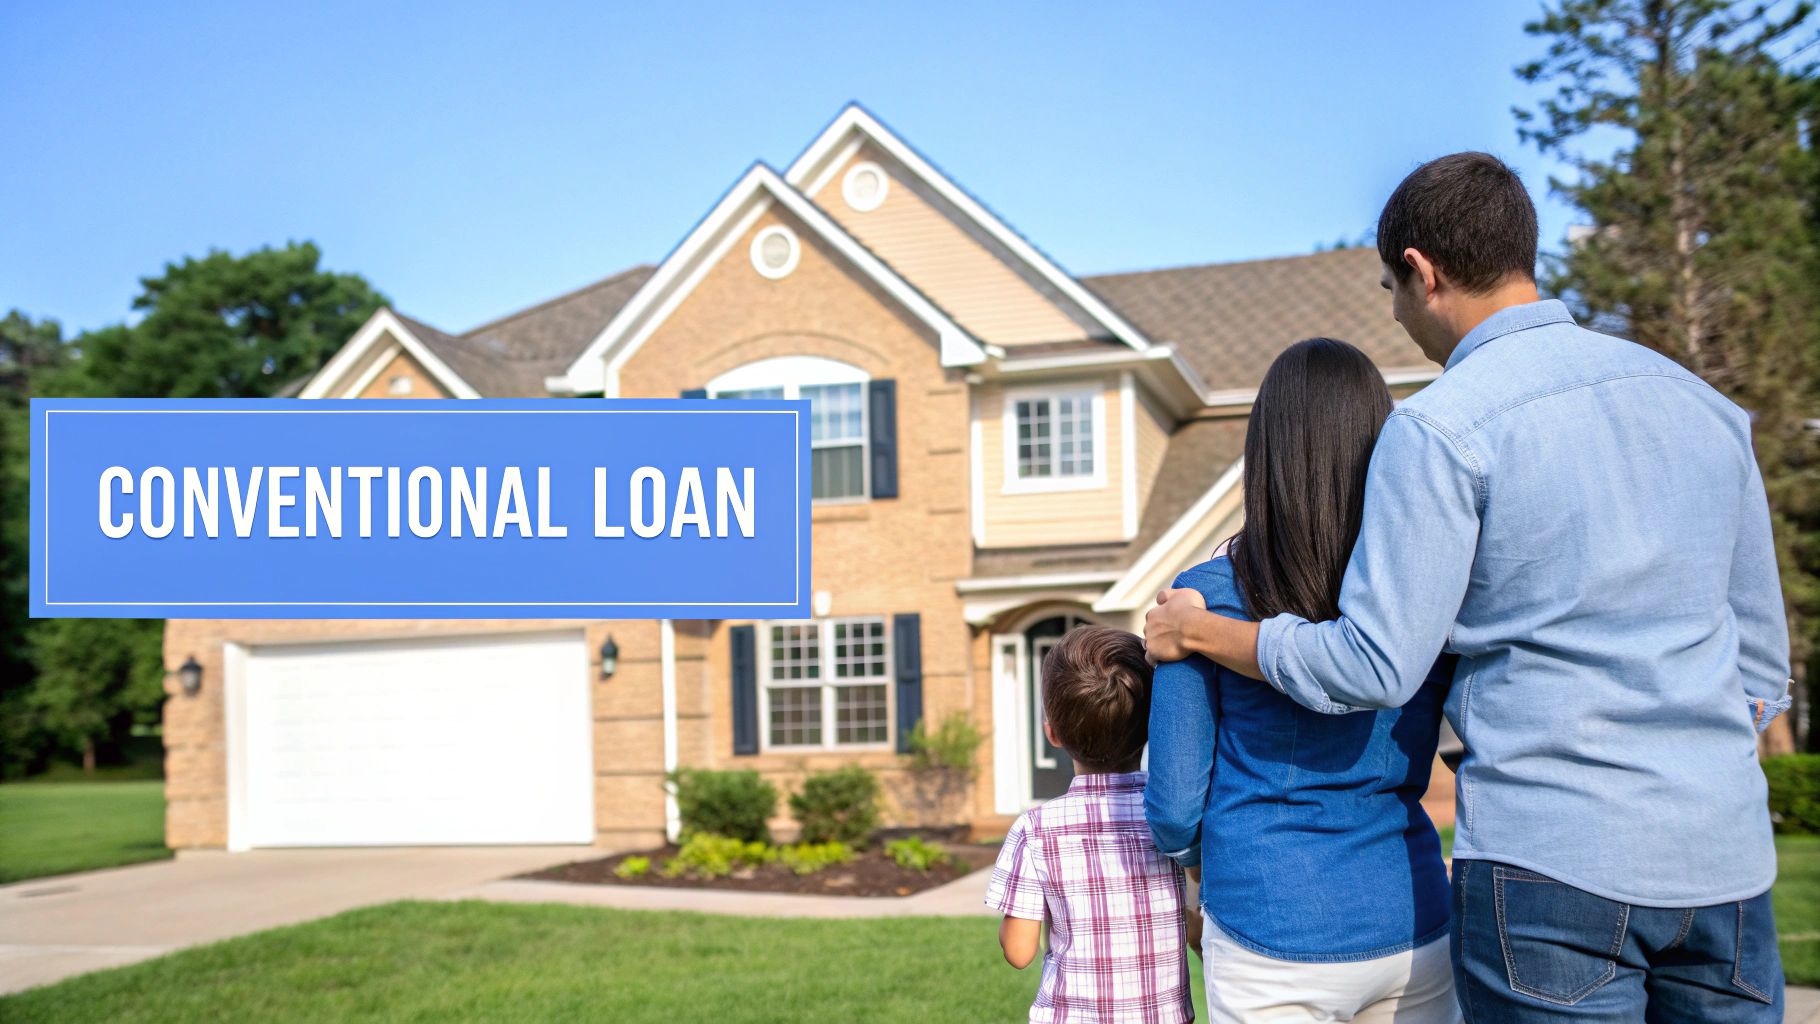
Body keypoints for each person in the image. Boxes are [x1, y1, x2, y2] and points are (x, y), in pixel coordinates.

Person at [1145, 152, 1792, 1021]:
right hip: (1726, 865)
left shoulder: (1444, 429)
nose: (1400, 312)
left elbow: (1376, 664)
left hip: (1553, 865)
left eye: (1389, 289)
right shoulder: (1709, 410)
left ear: (1422, 272)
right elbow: (1761, 672)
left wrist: (1204, 633)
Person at [1146, 337, 1460, 1022]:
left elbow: (1172, 805)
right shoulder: (1419, 596)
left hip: (1269, 926)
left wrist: (1199, 863)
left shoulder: (1201, 601)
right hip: (1411, 917)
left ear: (1266, 456)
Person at [985, 625, 1195, 1024]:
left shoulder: (1036, 830)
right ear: (1152, 726)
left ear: (1052, 732)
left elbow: (1018, 951)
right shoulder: (1174, 813)